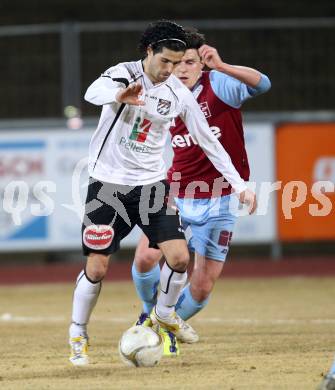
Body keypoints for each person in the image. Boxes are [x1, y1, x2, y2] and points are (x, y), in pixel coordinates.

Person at [69, 21, 256, 365]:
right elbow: (92, 91)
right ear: (149, 52)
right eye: (165, 62)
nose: (170, 70)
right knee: (96, 267)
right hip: (107, 186)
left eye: (176, 63)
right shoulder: (123, 73)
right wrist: (118, 95)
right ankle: (78, 332)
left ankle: (165, 313)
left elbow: (209, 141)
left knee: (180, 257)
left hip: (152, 186)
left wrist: (239, 184)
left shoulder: (177, 92)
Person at [132, 30, 271, 342]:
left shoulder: (218, 85)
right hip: (177, 191)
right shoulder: (162, 93)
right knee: (145, 258)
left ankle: (160, 329)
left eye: (190, 62)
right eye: (177, 62)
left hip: (220, 197)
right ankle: (149, 313)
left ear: (201, 65)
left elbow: (263, 84)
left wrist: (223, 67)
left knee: (203, 284)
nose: (182, 69)